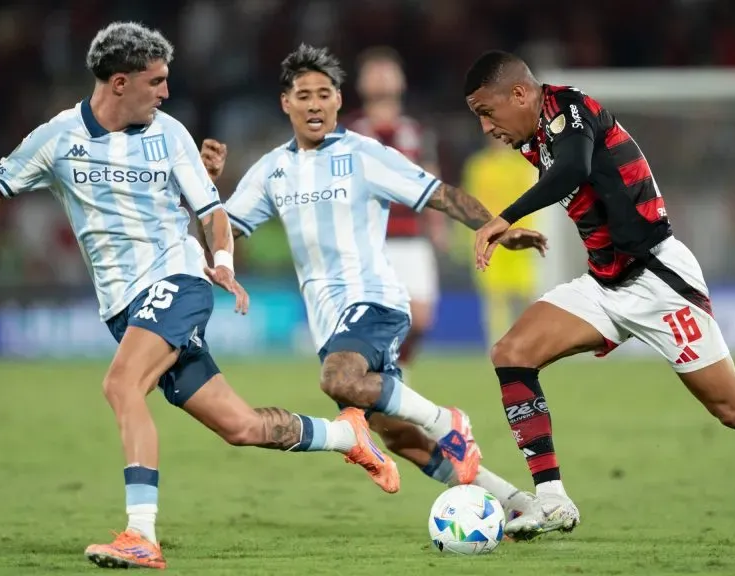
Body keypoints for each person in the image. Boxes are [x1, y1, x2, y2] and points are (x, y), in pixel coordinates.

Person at [0, 23, 398, 570]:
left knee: (120, 385)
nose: (165, 92)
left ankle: (141, 534)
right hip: (124, 306)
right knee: (240, 427)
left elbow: (211, 214)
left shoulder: (171, 133)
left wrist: (224, 266)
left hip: (177, 282)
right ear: (119, 83)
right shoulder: (58, 138)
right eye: (156, 81)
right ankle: (345, 434)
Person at [462, 50, 735, 539]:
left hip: (659, 279)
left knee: (733, 408)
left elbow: (572, 169)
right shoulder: (535, 136)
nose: (485, 128)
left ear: (520, 94)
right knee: (511, 353)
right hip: (606, 283)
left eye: (486, 112)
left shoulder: (570, 108)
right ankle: (552, 498)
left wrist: (504, 218)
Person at [200, 44, 545, 520]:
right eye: (304, 95)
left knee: (338, 378)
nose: (315, 104)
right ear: (286, 103)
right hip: (330, 323)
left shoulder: (365, 155)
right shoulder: (271, 170)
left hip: (376, 300)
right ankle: (515, 501)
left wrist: (497, 228)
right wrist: (201, 190)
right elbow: (223, 233)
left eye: (324, 94)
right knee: (400, 438)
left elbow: (438, 195)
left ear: (339, 100)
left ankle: (449, 421)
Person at [347, 47, 444, 371]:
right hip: (370, 240)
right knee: (372, 316)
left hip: (412, 237)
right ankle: (372, 380)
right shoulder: (348, 131)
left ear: (401, 81)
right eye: (373, 71)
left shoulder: (416, 131)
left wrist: (438, 223)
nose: (381, 77)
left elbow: (432, 178)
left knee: (421, 317)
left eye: (387, 70)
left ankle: (395, 367)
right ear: (361, 83)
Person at [462, 135, 541, 346]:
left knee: (525, 293)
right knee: (494, 297)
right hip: (489, 239)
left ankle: (532, 342)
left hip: (519, 238)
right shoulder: (479, 165)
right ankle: (497, 345)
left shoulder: (523, 164)